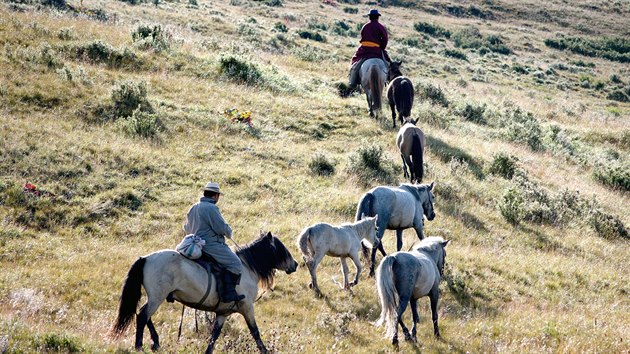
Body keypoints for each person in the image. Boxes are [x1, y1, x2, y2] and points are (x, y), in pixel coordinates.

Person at [183, 182, 245, 303]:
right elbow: (221, 228)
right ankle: (228, 294)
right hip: (210, 246)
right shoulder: (211, 208)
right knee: (236, 264)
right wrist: (229, 232)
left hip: (194, 245)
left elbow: (186, 228)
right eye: (218, 196)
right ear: (215, 196)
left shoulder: (194, 207)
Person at [345, 9, 392, 95]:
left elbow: (363, 37)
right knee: (389, 64)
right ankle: (390, 80)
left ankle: (352, 83)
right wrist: (381, 47)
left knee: (355, 63)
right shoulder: (381, 27)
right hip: (377, 50)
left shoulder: (365, 26)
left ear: (369, 17)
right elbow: (385, 39)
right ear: (378, 17)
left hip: (365, 50)